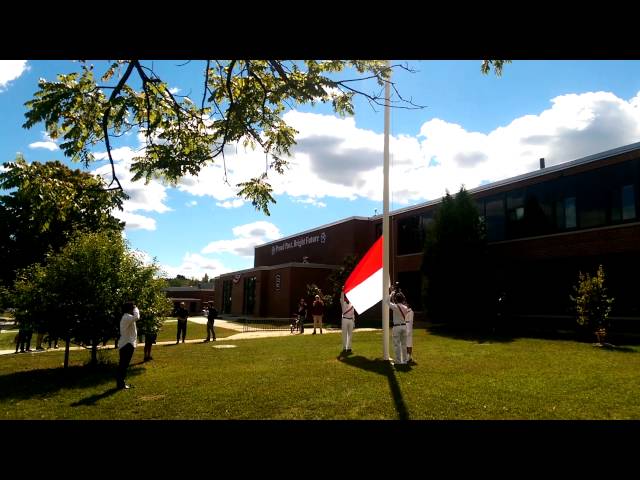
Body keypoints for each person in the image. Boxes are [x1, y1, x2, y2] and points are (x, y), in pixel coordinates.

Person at [116, 301, 139, 390]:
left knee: (124, 364)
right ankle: (120, 383)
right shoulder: (127, 317)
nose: (134, 309)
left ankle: (121, 383)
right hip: (127, 344)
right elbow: (137, 317)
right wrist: (136, 308)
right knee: (123, 365)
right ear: (130, 309)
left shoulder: (127, 317)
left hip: (127, 344)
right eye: (132, 308)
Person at [388, 291, 409, 365]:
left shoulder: (395, 306)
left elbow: (387, 301)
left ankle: (398, 361)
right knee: (404, 344)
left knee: (397, 345)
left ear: (396, 299)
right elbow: (402, 304)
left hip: (397, 327)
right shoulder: (405, 307)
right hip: (404, 326)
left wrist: (391, 294)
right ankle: (405, 360)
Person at [340, 288, 355, 355]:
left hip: (351, 320)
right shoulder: (343, 302)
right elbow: (342, 297)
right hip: (345, 319)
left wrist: (354, 321)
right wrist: (343, 291)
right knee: (344, 334)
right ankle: (344, 347)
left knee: (350, 335)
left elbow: (353, 313)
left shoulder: (352, 304)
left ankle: (349, 347)